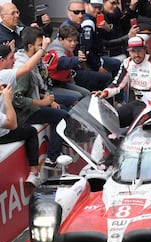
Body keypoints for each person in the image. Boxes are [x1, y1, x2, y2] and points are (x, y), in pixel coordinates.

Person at [13, 26, 71, 168]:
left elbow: (36, 88)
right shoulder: (25, 68)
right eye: (40, 45)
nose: (43, 49)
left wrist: (48, 100)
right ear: (30, 46)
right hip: (26, 114)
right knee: (62, 116)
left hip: (35, 105)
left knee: (63, 107)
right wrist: (42, 102)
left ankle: (60, 141)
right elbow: (17, 99)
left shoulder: (34, 62)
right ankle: (52, 158)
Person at [95, 36, 151, 128]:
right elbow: (117, 84)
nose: (136, 55)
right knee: (110, 121)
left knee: (133, 130)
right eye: (133, 51)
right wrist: (105, 92)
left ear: (144, 50)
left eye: (139, 50)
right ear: (129, 52)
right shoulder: (127, 63)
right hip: (138, 102)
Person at [0, 84, 41, 186]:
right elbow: (12, 124)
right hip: (3, 135)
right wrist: (7, 100)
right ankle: (34, 172)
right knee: (31, 131)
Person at [44, 25, 91, 100]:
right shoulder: (55, 51)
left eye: (75, 41)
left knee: (87, 93)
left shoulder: (67, 48)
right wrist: (78, 59)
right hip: (50, 87)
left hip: (63, 82)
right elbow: (64, 62)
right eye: (70, 41)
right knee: (77, 96)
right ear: (61, 40)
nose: (73, 44)